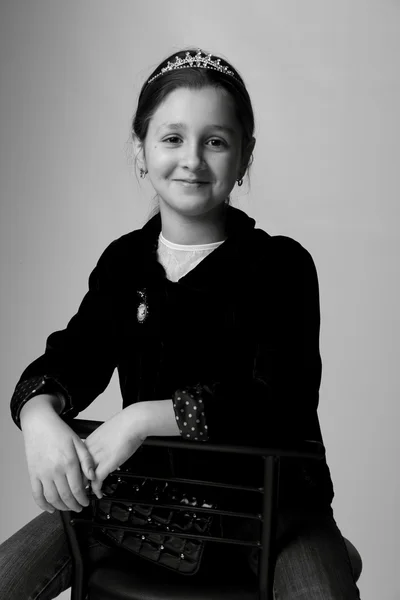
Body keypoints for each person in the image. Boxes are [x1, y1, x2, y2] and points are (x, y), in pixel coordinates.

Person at [0, 48, 361, 599]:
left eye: (215, 141)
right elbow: (73, 356)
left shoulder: (281, 265)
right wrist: (38, 415)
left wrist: (144, 418)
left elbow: (276, 399)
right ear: (141, 153)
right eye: (171, 139)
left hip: (272, 512)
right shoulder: (125, 263)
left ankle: (329, 549)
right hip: (143, 505)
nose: (192, 158)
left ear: (244, 156)